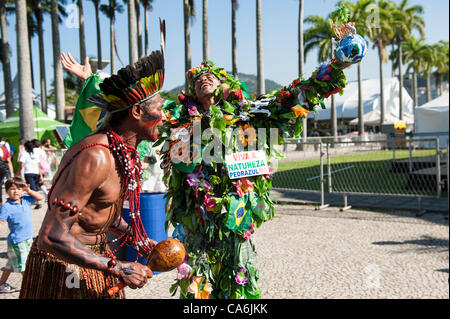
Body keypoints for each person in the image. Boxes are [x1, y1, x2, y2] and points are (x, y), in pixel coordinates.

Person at [19, 47, 166, 299]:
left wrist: (135, 237)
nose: (165, 117)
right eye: (160, 109)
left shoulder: (125, 152)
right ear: (137, 112)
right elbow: (51, 235)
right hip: (64, 267)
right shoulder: (96, 156)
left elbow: (98, 213)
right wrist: (118, 266)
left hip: (96, 256)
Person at [0, 177, 43, 293]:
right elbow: (1, 221)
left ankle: (1, 284)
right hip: (17, 241)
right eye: (12, 189)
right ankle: (32, 286)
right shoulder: (6, 206)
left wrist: (29, 191)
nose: (16, 191)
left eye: (19, 188)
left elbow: (40, 198)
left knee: (10, 265)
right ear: (7, 191)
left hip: (28, 239)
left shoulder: (25, 200)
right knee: (23, 265)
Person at [17, 141, 44, 209]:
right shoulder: (35, 154)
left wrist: (17, 173)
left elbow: (22, 165)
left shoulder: (24, 153)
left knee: (32, 188)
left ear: (26, 147)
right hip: (36, 173)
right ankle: (37, 201)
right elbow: (38, 166)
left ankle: (37, 202)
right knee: (34, 187)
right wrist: (40, 175)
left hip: (28, 173)